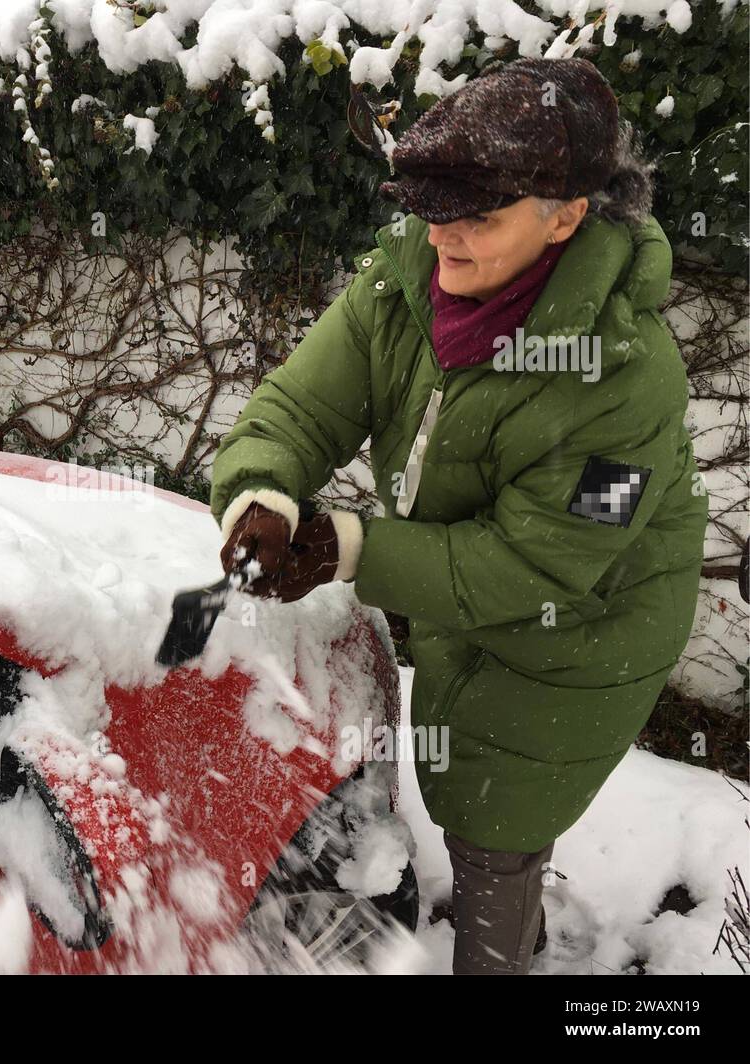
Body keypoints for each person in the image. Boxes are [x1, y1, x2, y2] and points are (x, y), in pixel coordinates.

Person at [210, 57, 707, 974]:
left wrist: (349, 544)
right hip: (464, 589)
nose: (445, 238)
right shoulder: (402, 280)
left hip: (584, 628)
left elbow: (539, 566)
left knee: (495, 819)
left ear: (567, 215)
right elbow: (301, 408)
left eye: (480, 217)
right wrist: (264, 497)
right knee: (454, 770)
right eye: (435, 210)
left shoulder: (625, 380)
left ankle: (500, 951)